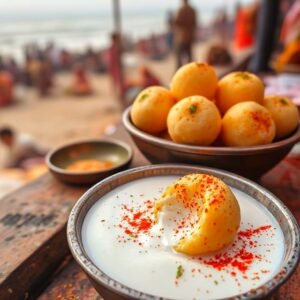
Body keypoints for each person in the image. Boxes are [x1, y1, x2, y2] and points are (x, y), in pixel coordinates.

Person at [173, 0, 197, 68]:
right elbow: (195, 23)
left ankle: (179, 72)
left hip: (182, 37)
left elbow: (176, 22)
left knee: (179, 57)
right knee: (189, 56)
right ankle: (191, 70)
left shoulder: (181, 10)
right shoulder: (192, 10)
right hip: (190, 36)